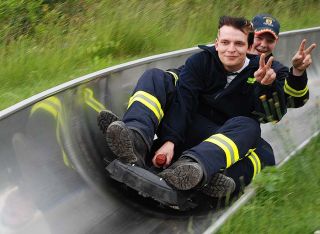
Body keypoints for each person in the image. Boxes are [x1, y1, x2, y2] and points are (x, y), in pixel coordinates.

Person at [102, 15, 289, 197]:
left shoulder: (264, 72)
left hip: (218, 139)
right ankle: (135, 139)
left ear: (248, 47)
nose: (231, 49)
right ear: (217, 44)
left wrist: (267, 87)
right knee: (154, 76)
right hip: (184, 124)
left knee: (252, 130)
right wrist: (170, 141)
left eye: (238, 44)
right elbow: (184, 101)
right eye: (225, 42)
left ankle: (195, 171)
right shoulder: (200, 62)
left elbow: (273, 116)